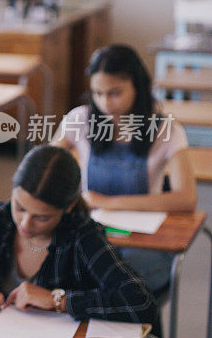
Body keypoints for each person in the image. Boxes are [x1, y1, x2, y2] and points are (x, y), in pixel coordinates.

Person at [0, 145, 157, 326]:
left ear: (67, 208)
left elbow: (141, 303)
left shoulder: (82, 235)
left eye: (42, 217)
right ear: (13, 190)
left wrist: (57, 300)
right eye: (20, 207)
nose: (25, 223)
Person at [51, 44, 196, 294]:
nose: (105, 102)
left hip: (146, 243)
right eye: (97, 93)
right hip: (91, 235)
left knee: (113, 274)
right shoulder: (80, 120)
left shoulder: (166, 130)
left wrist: (108, 202)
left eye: (115, 92)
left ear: (138, 87)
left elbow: (186, 199)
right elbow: (44, 170)